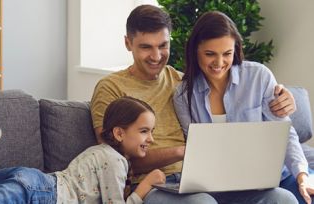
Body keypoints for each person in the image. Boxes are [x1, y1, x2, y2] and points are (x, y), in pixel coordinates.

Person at [91, 4, 298, 204]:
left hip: (201, 182)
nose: (156, 56)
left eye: (163, 46)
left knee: (282, 198)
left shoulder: (181, 83)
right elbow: (111, 158)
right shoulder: (111, 87)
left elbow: (223, 85)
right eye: (146, 47)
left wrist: (282, 96)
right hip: (151, 185)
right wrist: (182, 151)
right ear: (128, 43)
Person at [173, 11, 314, 204]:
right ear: (195, 50)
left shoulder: (259, 76)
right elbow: (196, 153)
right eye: (209, 54)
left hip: (275, 178)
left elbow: (285, 132)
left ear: (236, 49)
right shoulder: (183, 94)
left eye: (227, 54)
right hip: (218, 187)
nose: (219, 63)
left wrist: (302, 175)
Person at [0, 95, 166, 203]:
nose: (151, 139)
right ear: (119, 133)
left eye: (151, 131)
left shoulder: (100, 152)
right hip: (43, 192)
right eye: (144, 131)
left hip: (33, 181)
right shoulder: (115, 160)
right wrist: (145, 187)